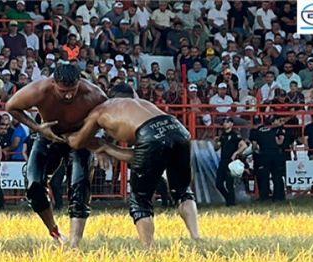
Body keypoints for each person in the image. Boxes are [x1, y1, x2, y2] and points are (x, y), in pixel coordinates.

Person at [38, 83, 200, 247]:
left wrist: (60, 133)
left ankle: (148, 248)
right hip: (178, 129)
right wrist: (107, 147)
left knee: (140, 199)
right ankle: (196, 236)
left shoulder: (101, 110)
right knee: (182, 190)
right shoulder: (143, 104)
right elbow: (140, 156)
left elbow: (77, 143)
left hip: (149, 134)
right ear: (132, 95)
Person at [5, 64, 108, 246]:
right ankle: (55, 231)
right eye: (63, 91)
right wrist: (37, 128)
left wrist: (101, 144)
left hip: (80, 138)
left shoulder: (94, 94)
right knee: (33, 184)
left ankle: (75, 242)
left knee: (79, 185)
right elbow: (11, 106)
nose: (68, 95)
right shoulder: (39, 90)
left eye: (73, 90)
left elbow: (109, 118)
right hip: (49, 136)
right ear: (53, 83)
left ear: (80, 83)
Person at [251, 115, 286, 202]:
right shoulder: (271, 130)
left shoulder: (255, 131)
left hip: (264, 154)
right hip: (275, 153)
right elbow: (278, 142)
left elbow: (254, 146)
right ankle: (279, 196)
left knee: (264, 176)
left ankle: (264, 196)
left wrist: (254, 151)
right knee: (277, 175)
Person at [213, 116, 247, 206]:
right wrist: (215, 142)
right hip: (223, 161)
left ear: (232, 124)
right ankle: (228, 199)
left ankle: (231, 203)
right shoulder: (223, 135)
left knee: (229, 183)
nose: (225, 124)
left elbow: (244, 145)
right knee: (218, 183)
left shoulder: (235, 135)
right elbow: (216, 148)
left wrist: (236, 153)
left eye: (227, 122)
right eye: (224, 122)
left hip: (230, 161)